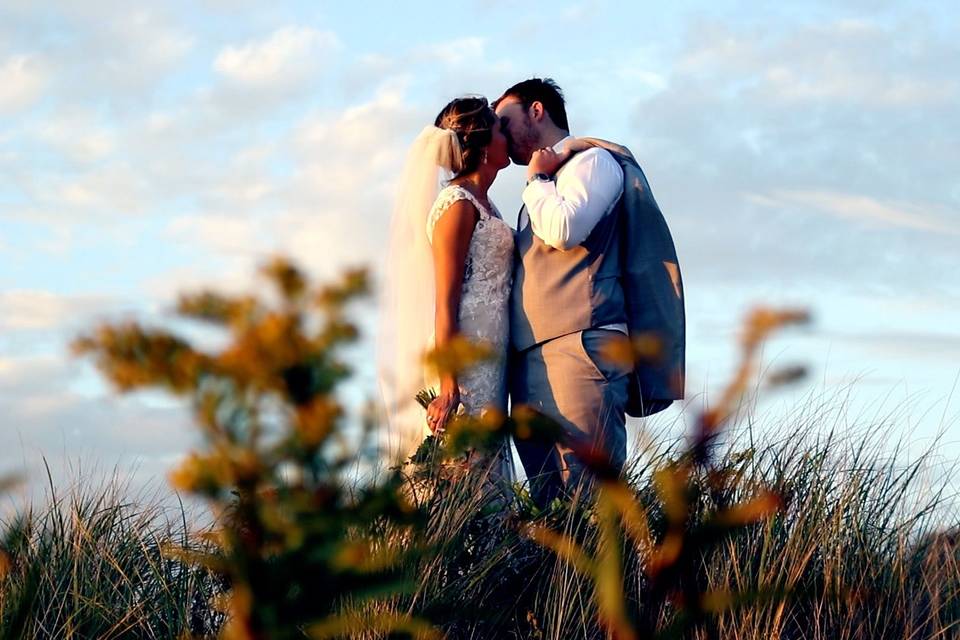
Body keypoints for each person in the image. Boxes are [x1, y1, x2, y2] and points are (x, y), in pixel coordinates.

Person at [494, 78, 632, 505]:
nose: (498, 133)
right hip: (536, 362)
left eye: (505, 121)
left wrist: (536, 180)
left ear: (537, 111)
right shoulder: (547, 186)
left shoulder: (592, 163)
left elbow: (564, 230)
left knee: (587, 501)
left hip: (581, 348)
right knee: (549, 503)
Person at [378, 96, 514, 483]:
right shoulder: (456, 204)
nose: (508, 135)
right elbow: (445, 300)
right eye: (501, 128)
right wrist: (448, 382)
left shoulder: (488, 205)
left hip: (493, 353)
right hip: (466, 353)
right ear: (486, 144)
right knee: (463, 466)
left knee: (487, 466)